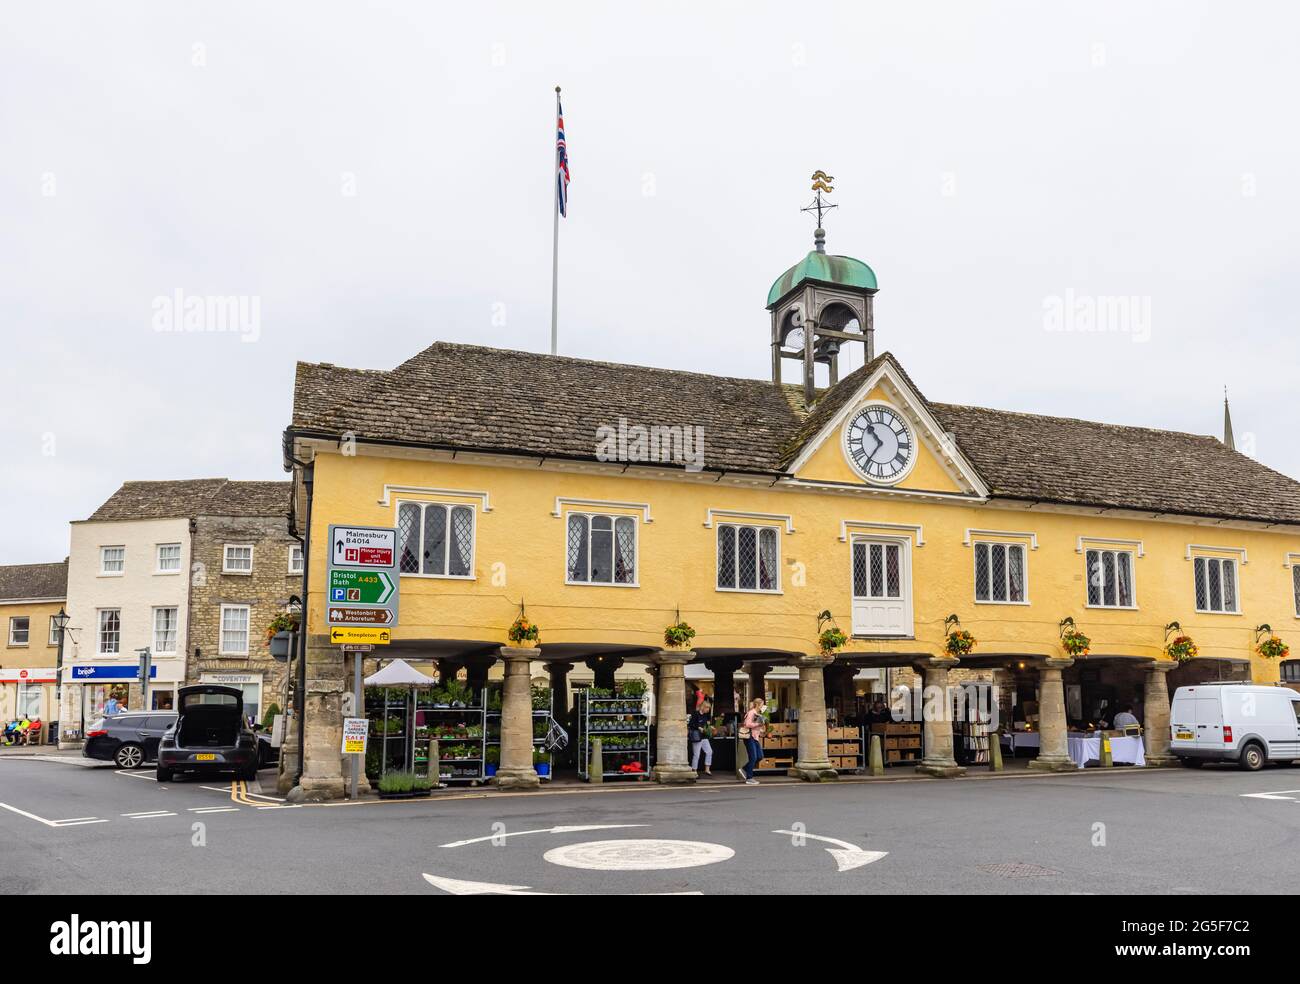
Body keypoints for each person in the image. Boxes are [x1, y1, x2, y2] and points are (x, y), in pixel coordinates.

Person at [739, 697, 767, 785]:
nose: (763, 706)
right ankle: (749, 778)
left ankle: (744, 769)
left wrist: (761, 729)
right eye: (762, 704)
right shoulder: (751, 713)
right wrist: (758, 724)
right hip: (749, 737)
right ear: (757, 705)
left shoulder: (758, 714)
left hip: (755, 737)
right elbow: (747, 724)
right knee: (753, 757)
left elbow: (756, 727)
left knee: (760, 756)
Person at [689, 699, 714, 776]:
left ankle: (707, 769)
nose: (708, 710)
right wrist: (699, 727)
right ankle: (694, 770)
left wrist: (711, 728)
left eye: (709, 708)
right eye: (707, 708)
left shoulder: (707, 715)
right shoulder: (695, 714)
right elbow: (691, 724)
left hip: (704, 736)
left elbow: (708, 725)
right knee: (697, 754)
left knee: (709, 751)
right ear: (703, 707)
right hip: (697, 737)